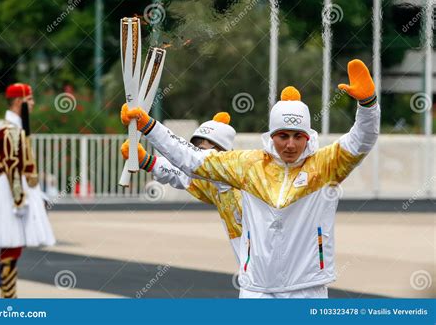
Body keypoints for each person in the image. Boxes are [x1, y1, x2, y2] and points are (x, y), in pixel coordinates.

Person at [121, 59, 380, 298]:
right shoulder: (247, 166)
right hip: (256, 289)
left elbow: (362, 140)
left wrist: (368, 106)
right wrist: (149, 127)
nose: (290, 144)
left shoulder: (325, 166)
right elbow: (192, 160)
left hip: (307, 289)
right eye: (283, 136)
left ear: (308, 137)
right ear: (271, 135)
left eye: (297, 136)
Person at [121, 112, 243, 261]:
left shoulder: (238, 176)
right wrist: (147, 161)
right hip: (252, 271)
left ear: (223, 151)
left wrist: (148, 125)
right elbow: (181, 174)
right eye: (195, 148)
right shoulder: (212, 183)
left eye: (203, 150)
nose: (197, 153)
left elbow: (189, 160)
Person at [0, 83, 55, 298]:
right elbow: (12, 166)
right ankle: (8, 297)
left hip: (17, 190)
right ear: (17, 102)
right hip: (12, 192)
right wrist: (18, 199)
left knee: (13, 245)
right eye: (29, 100)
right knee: (11, 245)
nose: (32, 104)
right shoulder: (9, 130)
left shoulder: (12, 127)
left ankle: (8, 295)